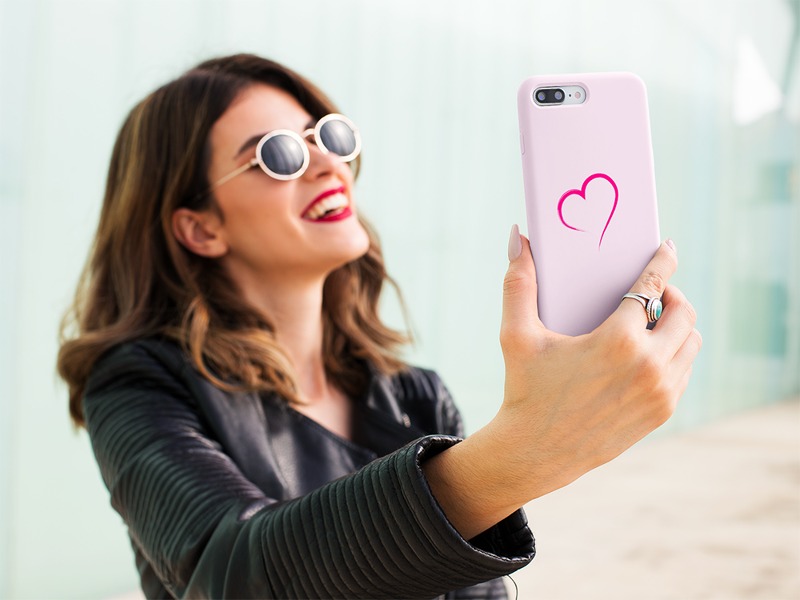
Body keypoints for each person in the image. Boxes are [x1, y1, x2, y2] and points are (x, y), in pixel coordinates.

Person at [57, 53, 701, 599]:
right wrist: (521, 452)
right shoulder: (137, 384)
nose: (325, 165)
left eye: (328, 137)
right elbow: (232, 572)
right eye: (278, 155)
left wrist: (522, 452)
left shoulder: (414, 396)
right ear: (200, 228)